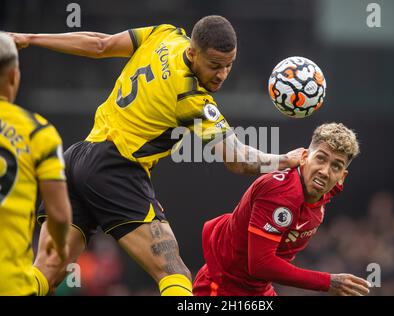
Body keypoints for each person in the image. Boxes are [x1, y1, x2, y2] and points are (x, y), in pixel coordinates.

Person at [8, 15, 302, 295]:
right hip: (117, 168)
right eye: (214, 65)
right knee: (173, 272)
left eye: (229, 65)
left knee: (47, 272)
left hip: (78, 158)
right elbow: (237, 160)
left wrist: (29, 38)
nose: (222, 74)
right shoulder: (192, 98)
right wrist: (285, 160)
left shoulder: (164, 35)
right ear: (193, 52)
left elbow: (100, 45)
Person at [193, 122, 371, 296]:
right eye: (320, 158)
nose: (325, 171)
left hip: (258, 289)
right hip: (224, 286)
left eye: (336, 166)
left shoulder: (327, 188)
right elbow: (260, 264)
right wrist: (327, 282)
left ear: (342, 177)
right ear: (303, 158)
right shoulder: (282, 192)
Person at [0, 32, 72, 296]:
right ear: (13, 76)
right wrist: (61, 246)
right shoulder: (37, 132)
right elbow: (60, 214)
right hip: (10, 283)